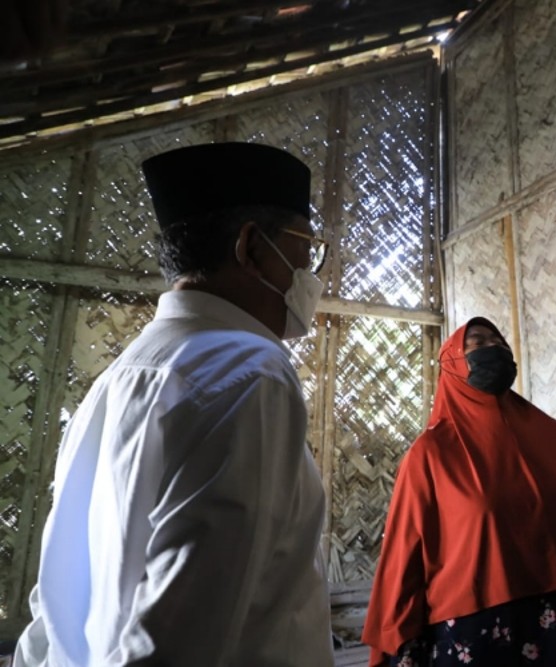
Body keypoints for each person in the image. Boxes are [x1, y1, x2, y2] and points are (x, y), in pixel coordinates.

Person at [14, 143, 336, 666]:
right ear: (251, 248)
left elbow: (55, 602)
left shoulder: (120, 378)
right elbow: (182, 640)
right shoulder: (249, 372)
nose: (310, 271)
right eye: (305, 248)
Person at [361, 317, 556, 667]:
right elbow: (404, 555)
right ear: (452, 362)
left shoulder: (551, 436)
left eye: (498, 340)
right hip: (476, 637)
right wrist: (399, 644)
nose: (494, 348)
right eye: (478, 342)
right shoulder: (430, 454)